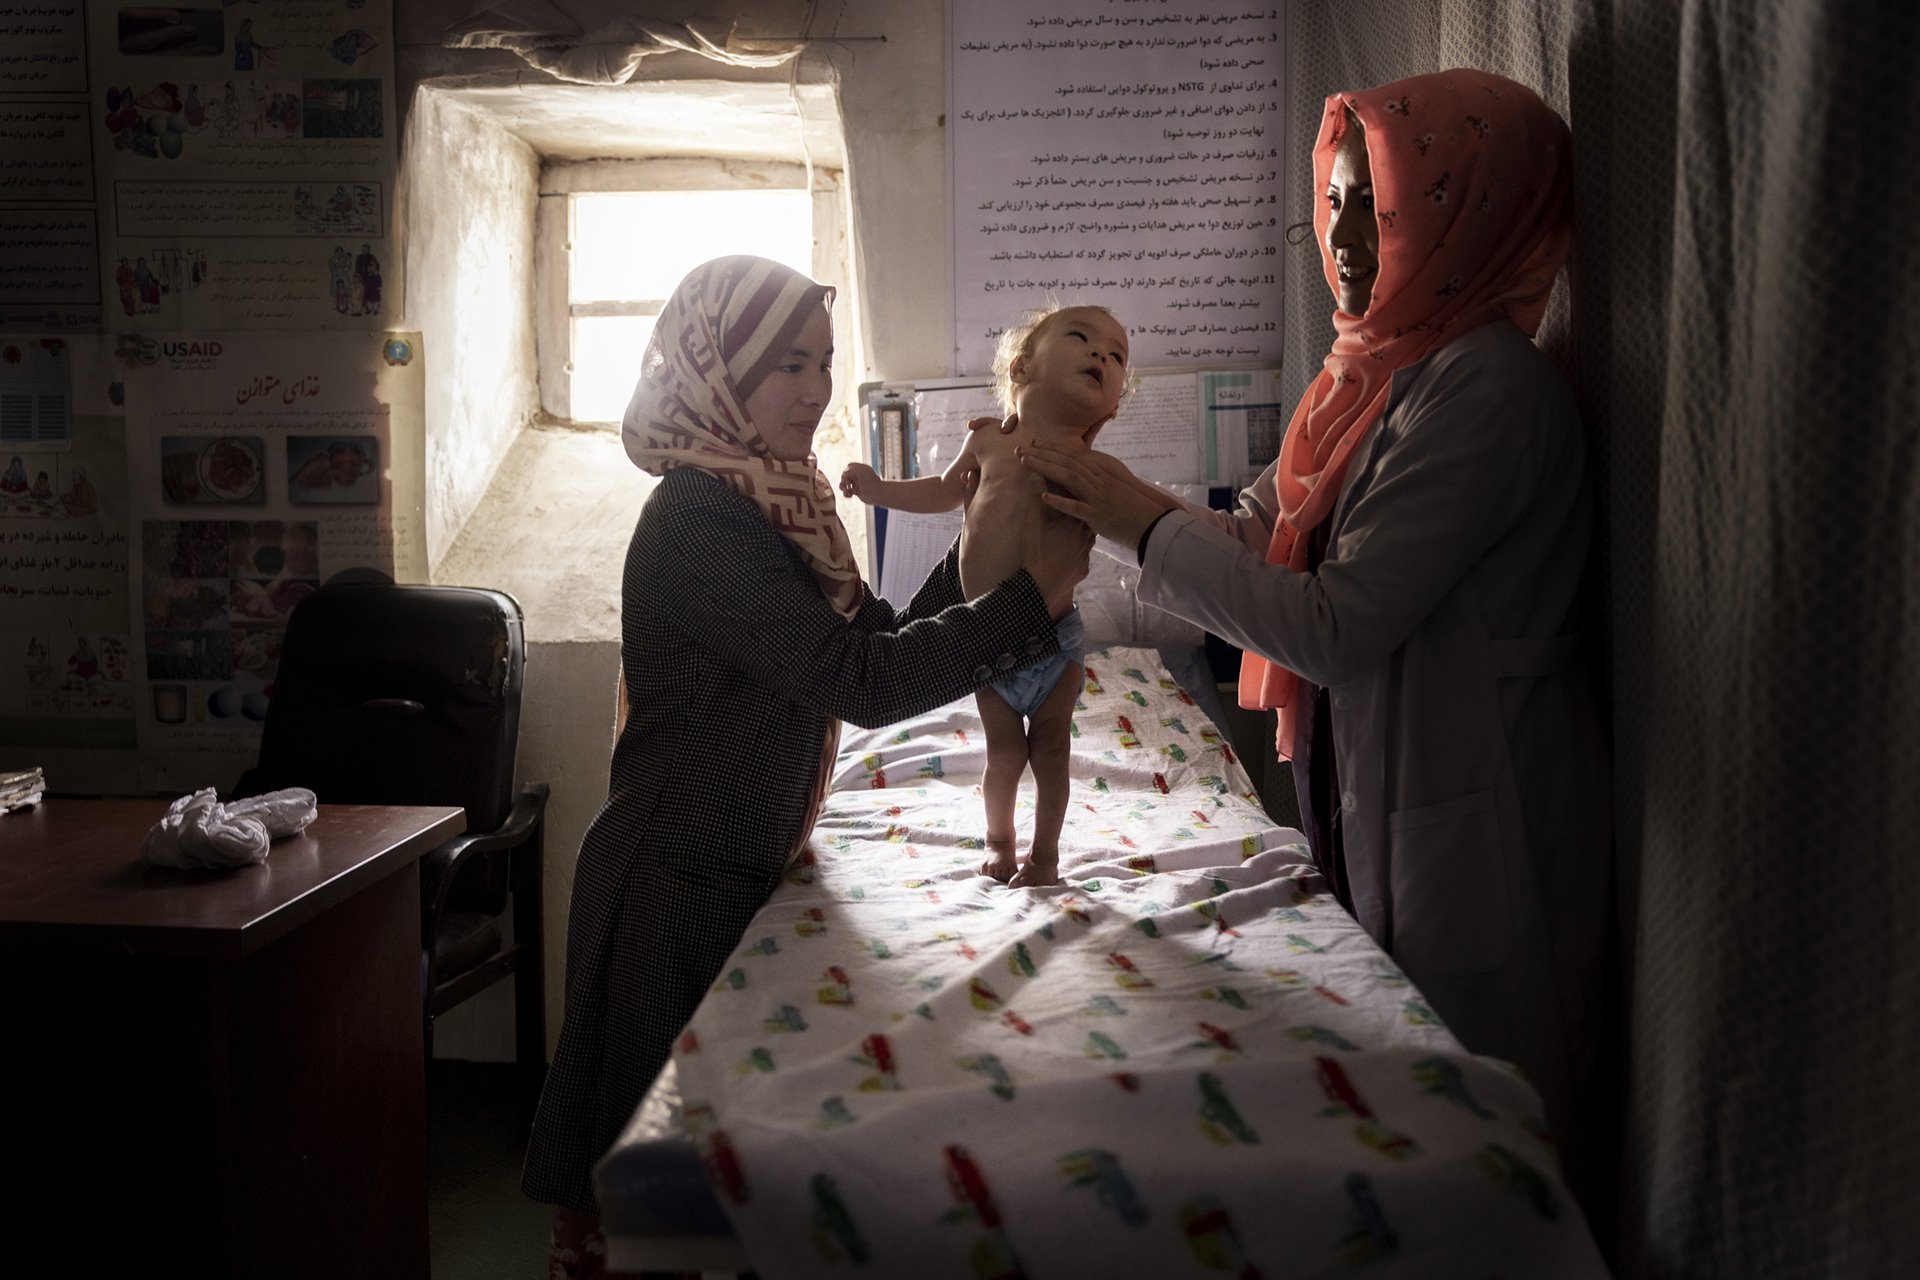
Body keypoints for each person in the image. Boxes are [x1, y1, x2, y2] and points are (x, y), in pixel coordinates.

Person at [1018, 69, 1613, 1201]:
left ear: (1464, 213)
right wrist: (1097, 517)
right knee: (1414, 1131)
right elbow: (1261, 532)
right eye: (1334, 203)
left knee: (1485, 1144)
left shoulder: (1484, 387)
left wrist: (1133, 518)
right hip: (1382, 785)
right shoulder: (1374, 375)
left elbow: (1335, 624)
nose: (1343, 236)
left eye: (1377, 204)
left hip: (1479, 816)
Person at [520, 255, 1091, 1276]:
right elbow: (859, 680)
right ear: (719, 371)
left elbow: (871, 635)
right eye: (786, 365)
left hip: (740, 860)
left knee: (718, 1174)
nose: (815, 390)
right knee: (662, 1186)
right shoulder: (703, 515)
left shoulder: (782, 503)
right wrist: (1020, 608)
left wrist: (981, 559)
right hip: (676, 873)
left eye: (824, 362)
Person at [840, 305, 1128, 887]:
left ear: (1112, 406)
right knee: (1005, 755)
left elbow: (1140, 523)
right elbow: (943, 493)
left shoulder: (1094, 468)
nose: (1103, 355)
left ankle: (1044, 859)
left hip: (1054, 641)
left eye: (1118, 356)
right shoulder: (988, 444)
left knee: (1050, 754)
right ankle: (999, 840)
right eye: (1082, 338)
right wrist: (878, 489)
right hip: (984, 640)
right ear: (1022, 368)